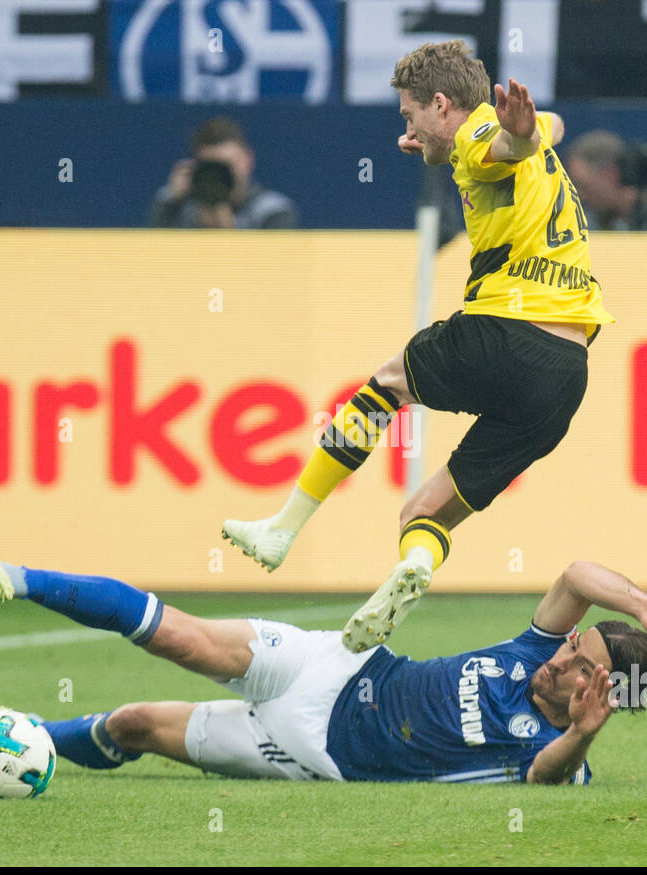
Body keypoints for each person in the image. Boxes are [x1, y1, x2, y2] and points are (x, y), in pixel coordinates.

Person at [222, 41, 616, 653]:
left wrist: (508, 137)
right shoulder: (524, 135)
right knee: (423, 515)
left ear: (441, 104)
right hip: (567, 372)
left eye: (410, 117)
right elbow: (543, 132)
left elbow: (499, 146)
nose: (406, 130)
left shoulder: (479, 139)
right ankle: (417, 567)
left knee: (385, 386)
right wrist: (527, 132)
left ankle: (283, 528)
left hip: (506, 331)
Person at [0, 554, 647, 785]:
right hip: (337, 664)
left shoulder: (556, 757)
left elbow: (542, 778)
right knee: (181, 637)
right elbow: (574, 573)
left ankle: (18, 736)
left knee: (135, 724)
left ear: (597, 697)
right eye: (572, 646)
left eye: (578, 665)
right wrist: (638, 603)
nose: (561, 655)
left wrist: (583, 737)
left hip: (312, 752)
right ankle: (15, 577)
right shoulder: (538, 654)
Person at [149, 117, 298, 229]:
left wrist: (227, 233)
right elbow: (151, 259)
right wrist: (172, 204)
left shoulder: (272, 211)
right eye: (212, 166)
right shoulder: (173, 202)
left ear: (248, 160)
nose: (220, 174)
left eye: (228, 165)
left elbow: (273, 268)